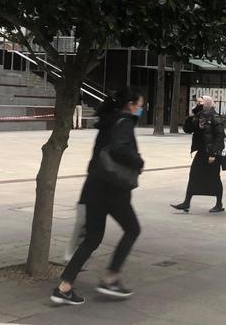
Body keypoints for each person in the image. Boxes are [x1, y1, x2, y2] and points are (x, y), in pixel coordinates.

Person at [51, 88, 145, 305]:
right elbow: (120, 150)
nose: (140, 109)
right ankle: (110, 278)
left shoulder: (108, 122)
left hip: (94, 188)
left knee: (93, 238)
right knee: (132, 229)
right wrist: (139, 162)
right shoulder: (124, 123)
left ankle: (64, 287)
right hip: (112, 190)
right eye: (139, 105)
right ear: (130, 105)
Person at [171, 95, 226, 213]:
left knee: (214, 178)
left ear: (207, 103)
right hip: (201, 152)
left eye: (201, 103)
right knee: (194, 174)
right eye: (197, 103)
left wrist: (214, 154)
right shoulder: (198, 117)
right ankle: (186, 202)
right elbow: (187, 130)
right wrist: (190, 116)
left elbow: (220, 137)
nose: (198, 105)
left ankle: (219, 204)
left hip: (212, 154)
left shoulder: (215, 116)